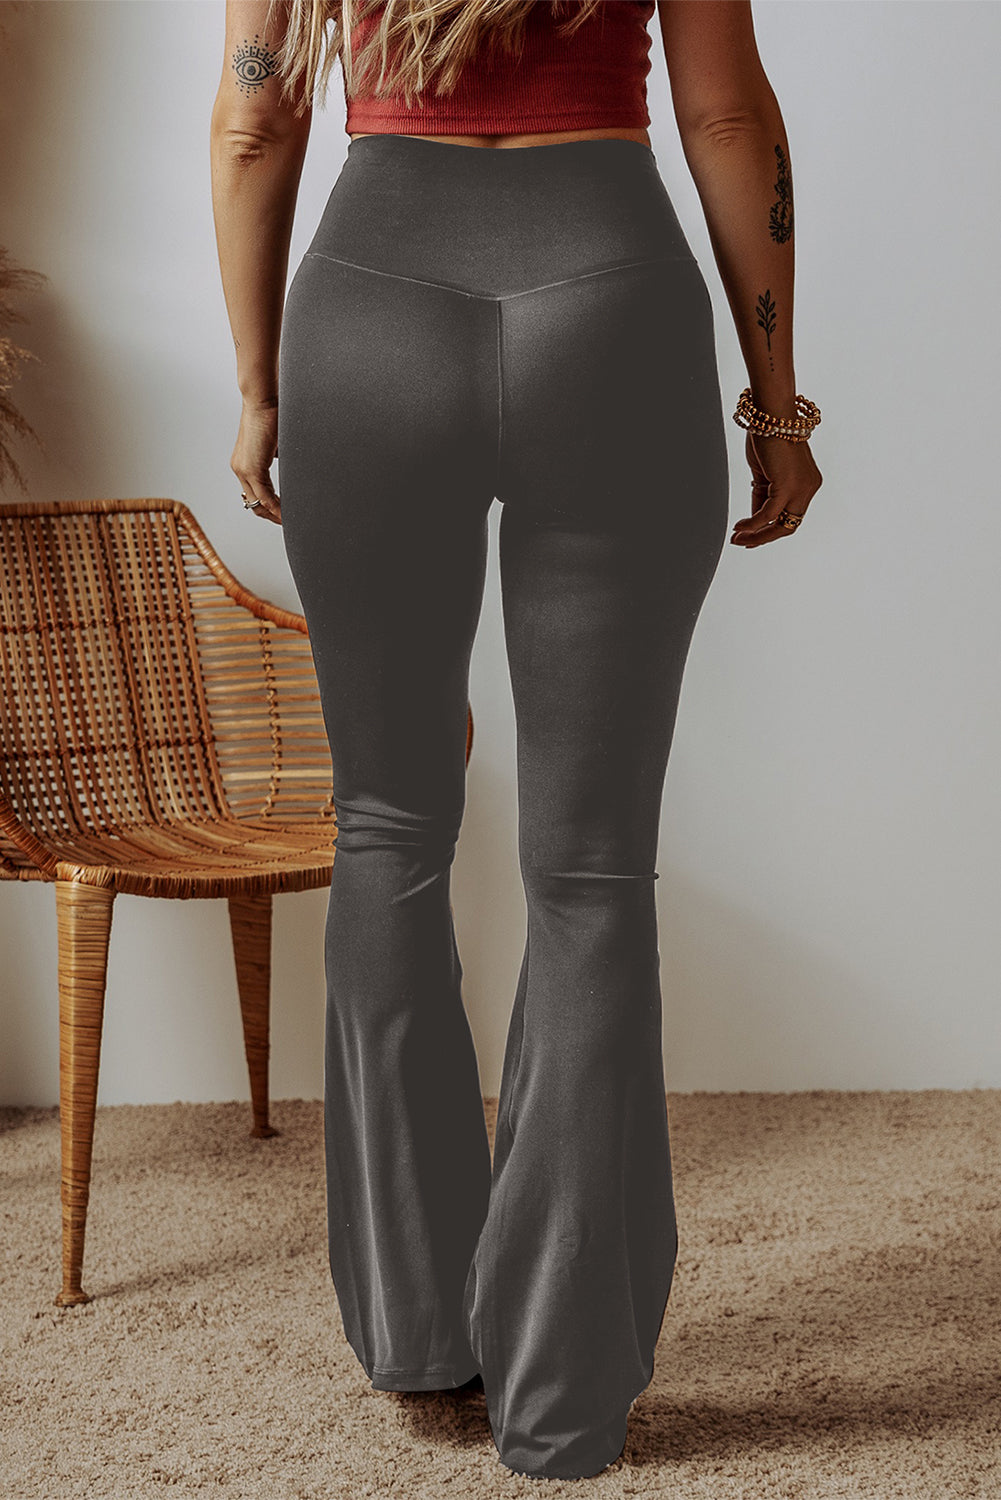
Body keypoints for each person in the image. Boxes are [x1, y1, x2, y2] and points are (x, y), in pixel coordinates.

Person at [210, 0, 823, 1481]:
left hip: (368, 313)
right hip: (611, 303)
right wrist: (775, 404)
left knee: (387, 826)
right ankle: (560, 1395)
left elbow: (254, 119)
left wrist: (261, 384)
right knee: (592, 872)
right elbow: (727, 117)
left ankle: (421, 1332)